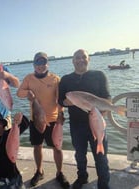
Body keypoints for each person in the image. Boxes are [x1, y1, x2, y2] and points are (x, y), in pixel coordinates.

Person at [58, 49, 111, 189]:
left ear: (89, 59)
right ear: (72, 60)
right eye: (77, 57)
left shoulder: (99, 75)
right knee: (79, 155)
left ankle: (104, 184)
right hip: (76, 125)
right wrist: (66, 102)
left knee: (101, 157)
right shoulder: (65, 79)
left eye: (83, 57)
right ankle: (82, 177)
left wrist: (101, 118)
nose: (80, 60)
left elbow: (107, 98)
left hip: (97, 123)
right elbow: (60, 100)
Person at [16, 52, 70, 188]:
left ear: (47, 64)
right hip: (36, 120)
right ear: (34, 64)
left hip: (53, 120)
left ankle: (59, 172)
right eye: (38, 63)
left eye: (43, 62)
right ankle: (39, 171)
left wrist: (60, 115)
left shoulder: (55, 79)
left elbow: (60, 99)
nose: (41, 66)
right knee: (37, 146)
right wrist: (27, 93)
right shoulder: (29, 78)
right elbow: (19, 93)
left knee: (57, 147)